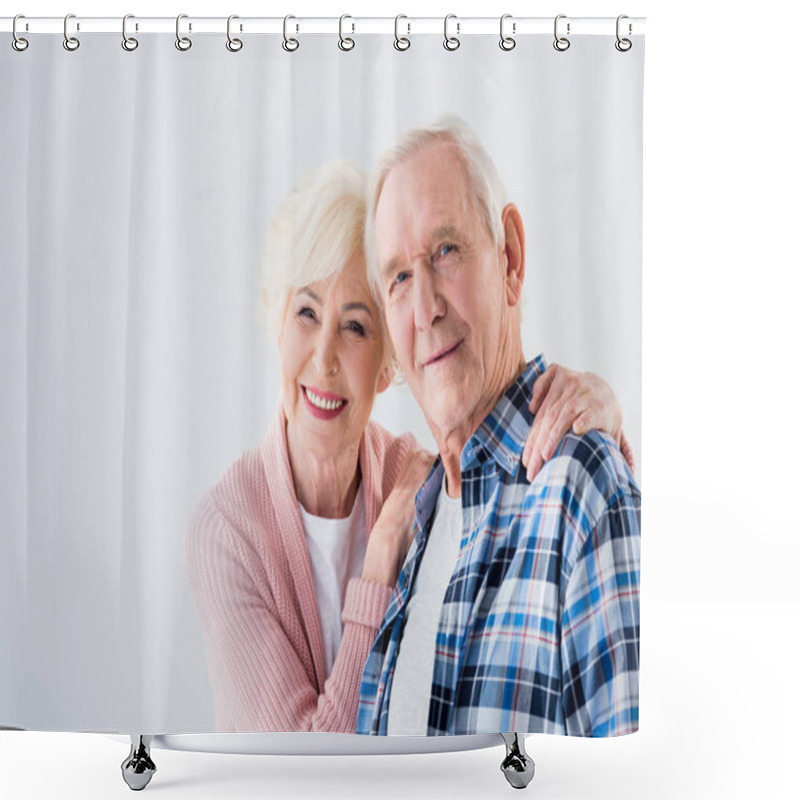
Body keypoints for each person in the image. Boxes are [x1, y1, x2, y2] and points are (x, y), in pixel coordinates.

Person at [186, 159, 632, 734]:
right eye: (305, 313)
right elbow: (306, 773)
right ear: (277, 323)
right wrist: (376, 575)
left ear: (387, 363)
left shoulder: (417, 479)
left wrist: (603, 407)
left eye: (355, 327)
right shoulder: (225, 531)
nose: (323, 359)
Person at [357, 118, 641, 737]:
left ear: (509, 256)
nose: (426, 308)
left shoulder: (580, 490)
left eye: (445, 251)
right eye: (399, 278)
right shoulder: (410, 523)